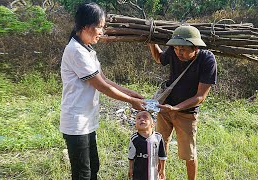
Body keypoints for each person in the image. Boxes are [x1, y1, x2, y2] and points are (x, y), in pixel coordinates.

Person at [60, 2, 146, 180]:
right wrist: (131, 101)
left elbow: (105, 79)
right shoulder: (76, 51)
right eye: (99, 27)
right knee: (82, 174)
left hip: (87, 120)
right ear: (86, 27)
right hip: (76, 122)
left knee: (93, 167)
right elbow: (102, 86)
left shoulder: (88, 50)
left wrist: (130, 93)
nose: (101, 32)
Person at [148, 25, 217, 180]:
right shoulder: (173, 52)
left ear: (195, 47)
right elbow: (160, 58)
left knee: (189, 154)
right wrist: (151, 42)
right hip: (166, 108)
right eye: (177, 48)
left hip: (186, 113)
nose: (179, 52)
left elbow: (200, 96)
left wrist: (176, 108)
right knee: (160, 143)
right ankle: (160, 175)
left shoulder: (207, 59)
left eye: (183, 49)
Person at [128, 111, 167, 180]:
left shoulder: (158, 138)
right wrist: (130, 169)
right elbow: (131, 157)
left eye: (145, 117)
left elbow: (162, 156)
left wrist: (162, 169)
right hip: (138, 172)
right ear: (135, 126)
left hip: (153, 171)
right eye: (138, 118)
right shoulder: (134, 139)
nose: (142, 119)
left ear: (153, 124)